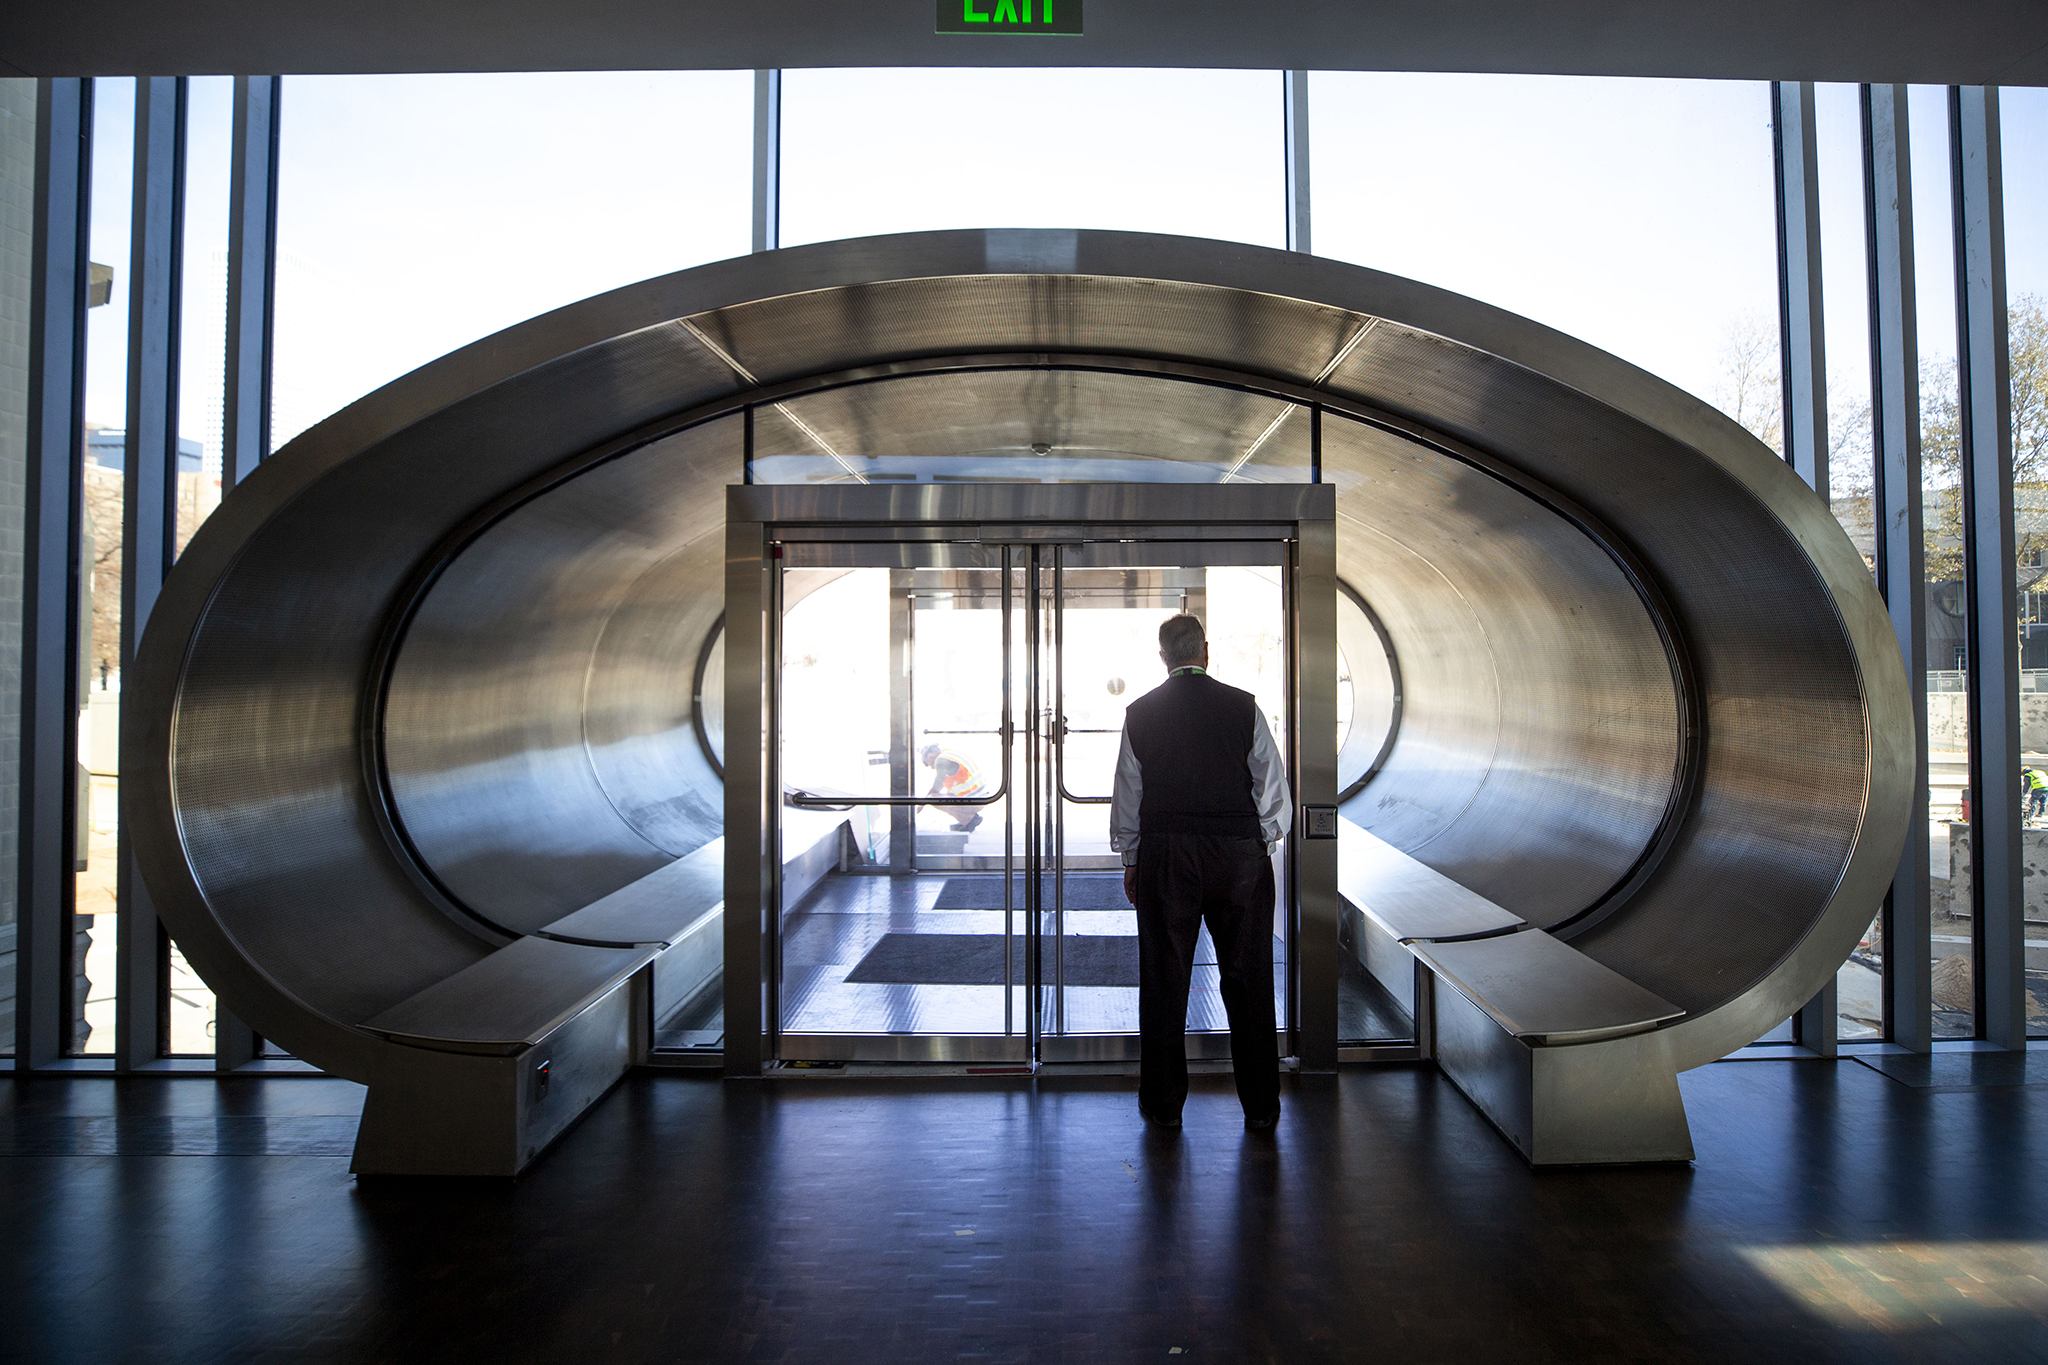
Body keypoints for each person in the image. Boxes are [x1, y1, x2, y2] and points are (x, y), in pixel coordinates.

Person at [1111, 613, 1292, 1132]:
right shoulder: (1244, 707)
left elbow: (1129, 796)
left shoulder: (1140, 714)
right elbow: (1273, 792)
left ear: (1164, 656)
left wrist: (1132, 857)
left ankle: (1163, 1106)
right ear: (1205, 651)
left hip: (1167, 856)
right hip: (1238, 855)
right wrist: (1257, 843)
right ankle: (1261, 1107)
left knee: (1165, 979)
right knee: (1249, 978)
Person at [921, 743, 987, 833]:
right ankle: (967, 820)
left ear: (930, 756)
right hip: (981, 796)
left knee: (933, 798)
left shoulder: (940, 761)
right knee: (945, 796)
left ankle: (971, 820)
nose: (931, 767)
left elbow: (937, 787)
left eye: (927, 764)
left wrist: (921, 804)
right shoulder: (948, 754)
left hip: (973, 800)